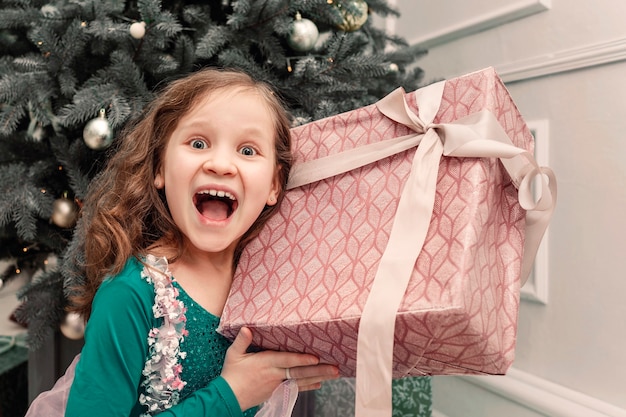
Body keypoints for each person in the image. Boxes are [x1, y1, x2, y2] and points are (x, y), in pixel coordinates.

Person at [54, 68, 338, 416]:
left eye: (248, 150)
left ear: (274, 185)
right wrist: (230, 395)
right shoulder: (130, 294)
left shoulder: (271, 289)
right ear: (159, 167)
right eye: (198, 143)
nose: (221, 165)